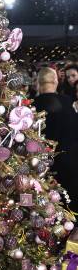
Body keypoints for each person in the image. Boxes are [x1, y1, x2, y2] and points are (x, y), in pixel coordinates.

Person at [35, 67, 78, 210]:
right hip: (69, 161)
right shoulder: (67, 102)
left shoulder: (32, 106)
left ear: (38, 83)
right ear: (56, 81)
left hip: (42, 164)